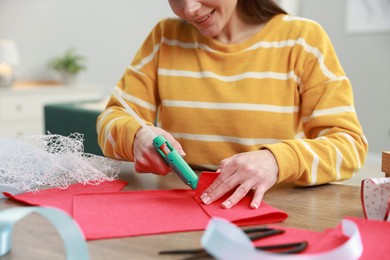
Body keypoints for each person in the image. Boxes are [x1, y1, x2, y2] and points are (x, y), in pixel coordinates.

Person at [97, 0, 368, 210]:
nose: (189, 9)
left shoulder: (303, 39)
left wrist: (276, 160)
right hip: (182, 210)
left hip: (273, 214)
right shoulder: (164, 38)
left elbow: (349, 145)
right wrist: (136, 137)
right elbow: (112, 118)